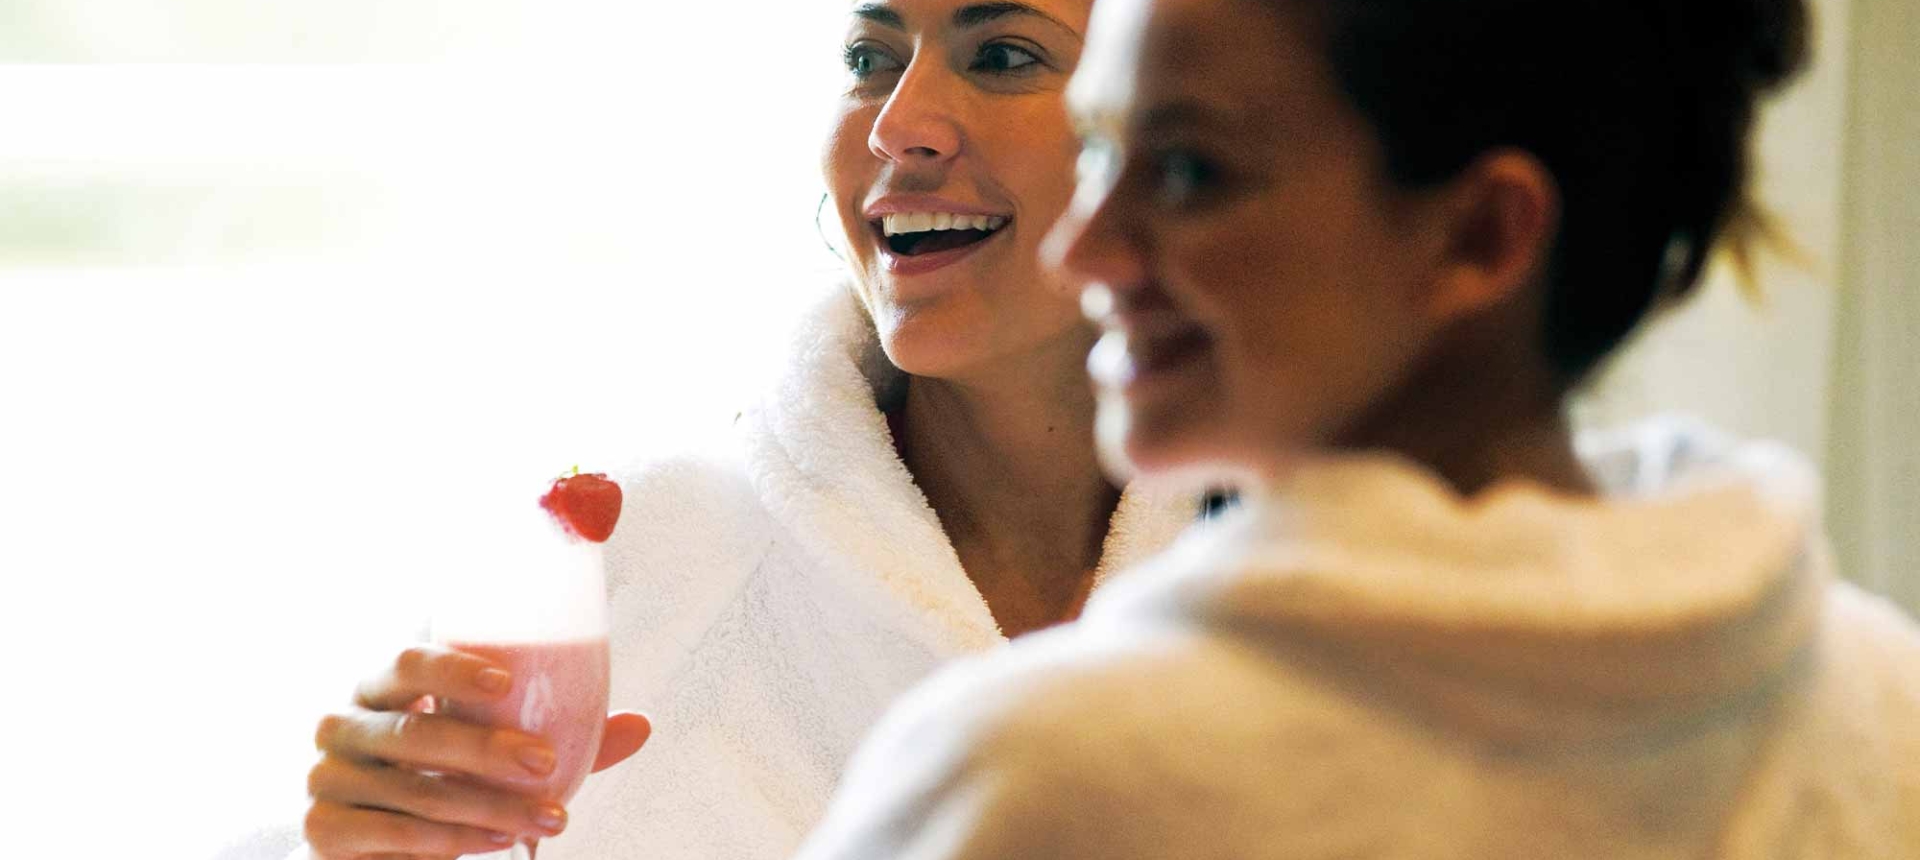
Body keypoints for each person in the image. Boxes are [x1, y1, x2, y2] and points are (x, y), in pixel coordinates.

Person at [793, 0, 1920, 856]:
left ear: (1481, 233)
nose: (1085, 250)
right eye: (1100, 150)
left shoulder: (1045, 785)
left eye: (1187, 170)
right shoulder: (1875, 702)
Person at [287, 1, 1212, 858]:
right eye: (869, 58)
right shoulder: (638, 567)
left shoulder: (1323, 587)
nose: (896, 122)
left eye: (1004, 55)